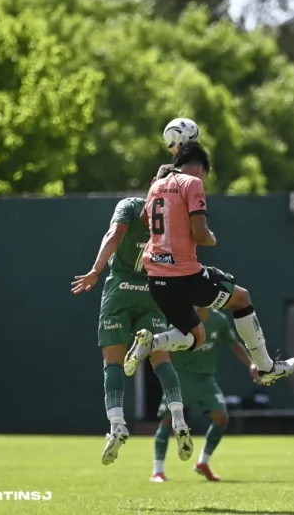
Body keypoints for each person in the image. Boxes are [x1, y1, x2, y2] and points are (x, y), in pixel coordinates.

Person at [123, 142, 294, 386]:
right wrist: (212, 238)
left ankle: (150, 343)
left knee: (197, 338)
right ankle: (266, 367)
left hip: (157, 279)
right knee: (242, 298)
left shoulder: (156, 186)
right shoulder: (193, 183)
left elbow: (145, 218)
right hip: (185, 277)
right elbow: (201, 234)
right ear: (202, 168)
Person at [71, 166, 195, 466]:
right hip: (153, 292)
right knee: (162, 359)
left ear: (153, 183)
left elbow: (115, 234)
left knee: (112, 362)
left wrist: (96, 270)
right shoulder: (175, 220)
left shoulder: (130, 205)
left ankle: (116, 426)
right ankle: (179, 419)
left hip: (120, 291)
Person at [152, 307, 258, 483]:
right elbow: (164, 348)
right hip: (181, 377)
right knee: (167, 421)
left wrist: (251, 364)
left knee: (221, 418)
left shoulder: (219, 320)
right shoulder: (181, 320)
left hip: (206, 379)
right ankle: (158, 471)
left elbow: (233, 343)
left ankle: (203, 462)